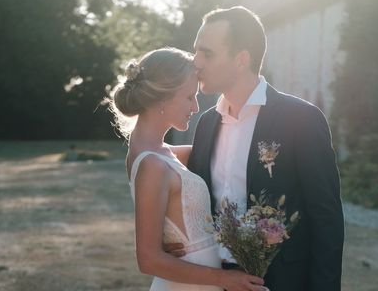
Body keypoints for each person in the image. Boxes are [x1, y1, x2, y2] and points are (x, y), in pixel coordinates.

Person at [187, 6, 345, 291]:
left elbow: (326, 218)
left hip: (281, 282)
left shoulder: (301, 119)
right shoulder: (206, 124)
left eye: (206, 53)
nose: (195, 62)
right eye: (195, 51)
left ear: (241, 59)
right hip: (212, 281)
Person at [109, 47, 265, 291]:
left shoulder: (161, 153)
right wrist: (224, 279)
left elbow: (219, 152)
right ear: (162, 98)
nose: (194, 108)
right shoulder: (152, 164)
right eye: (189, 97)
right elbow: (148, 259)